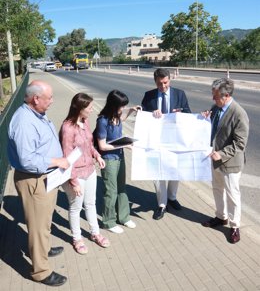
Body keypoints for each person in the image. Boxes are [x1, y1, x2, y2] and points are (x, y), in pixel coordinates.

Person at [7, 80, 70, 287]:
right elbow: (28, 160)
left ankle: (43, 249)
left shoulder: (36, 114)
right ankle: (40, 271)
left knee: (44, 222)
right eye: (49, 98)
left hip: (46, 178)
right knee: (37, 226)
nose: (52, 101)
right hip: (34, 180)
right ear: (36, 99)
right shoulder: (24, 122)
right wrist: (57, 161)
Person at [59, 93, 110, 254]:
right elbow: (66, 157)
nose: (92, 109)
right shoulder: (67, 128)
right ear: (79, 109)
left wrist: (97, 156)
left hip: (90, 171)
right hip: (76, 175)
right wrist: (73, 182)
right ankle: (77, 238)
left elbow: (89, 144)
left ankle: (95, 233)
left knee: (91, 204)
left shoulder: (85, 122)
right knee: (76, 207)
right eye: (89, 107)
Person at [202, 78, 249, 244]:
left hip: (230, 163)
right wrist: (205, 117)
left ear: (226, 95)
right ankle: (221, 217)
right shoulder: (216, 107)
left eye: (216, 96)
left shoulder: (239, 114)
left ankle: (235, 226)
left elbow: (240, 143)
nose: (213, 99)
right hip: (215, 160)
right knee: (217, 189)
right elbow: (213, 126)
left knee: (232, 195)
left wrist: (221, 154)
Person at [141, 67, 191, 220]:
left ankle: (172, 197)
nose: (163, 87)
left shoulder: (179, 94)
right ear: (155, 82)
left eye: (165, 82)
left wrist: (180, 114)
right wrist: (151, 114)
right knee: (158, 172)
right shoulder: (149, 96)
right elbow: (142, 116)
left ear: (170, 79)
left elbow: (188, 113)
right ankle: (161, 204)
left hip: (175, 139)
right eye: (159, 84)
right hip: (156, 140)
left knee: (175, 170)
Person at [95, 90, 138, 234]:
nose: (123, 109)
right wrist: (123, 144)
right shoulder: (102, 120)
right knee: (110, 191)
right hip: (109, 160)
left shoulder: (117, 116)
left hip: (119, 157)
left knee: (121, 188)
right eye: (122, 106)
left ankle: (124, 217)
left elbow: (122, 120)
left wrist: (131, 111)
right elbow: (102, 146)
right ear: (113, 105)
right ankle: (108, 221)